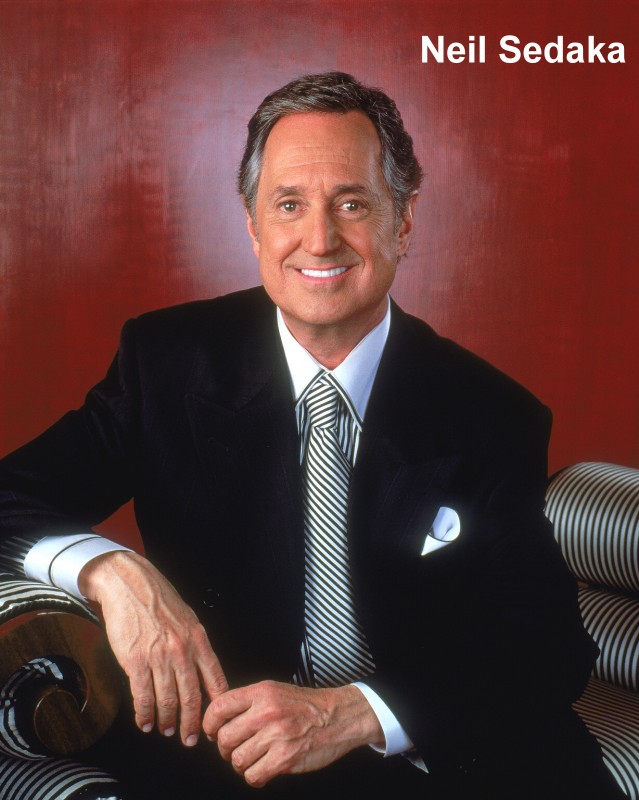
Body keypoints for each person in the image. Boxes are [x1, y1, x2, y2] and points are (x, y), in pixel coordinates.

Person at [0, 72, 625, 799]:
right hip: (230, 748)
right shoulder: (166, 363)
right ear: (253, 224)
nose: (319, 240)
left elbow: (548, 645)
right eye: (289, 204)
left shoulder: (490, 412)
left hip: (429, 749)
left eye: (352, 204)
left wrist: (356, 713)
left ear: (403, 220)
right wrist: (111, 571)